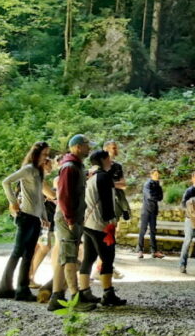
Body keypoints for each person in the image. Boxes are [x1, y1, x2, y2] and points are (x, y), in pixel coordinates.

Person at [0, 141, 52, 301]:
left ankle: (22, 290)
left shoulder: (38, 172)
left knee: (28, 255)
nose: (46, 157)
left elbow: (39, 198)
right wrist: (13, 202)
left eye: (47, 154)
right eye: (44, 154)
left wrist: (44, 217)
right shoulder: (28, 169)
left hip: (35, 218)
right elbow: (6, 182)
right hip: (25, 217)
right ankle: (5, 288)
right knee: (17, 253)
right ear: (36, 154)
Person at [48, 134, 95, 312]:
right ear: (77, 147)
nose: (88, 148)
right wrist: (70, 219)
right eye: (86, 145)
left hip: (71, 217)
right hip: (68, 218)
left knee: (64, 258)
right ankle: (75, 299)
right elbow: (65, 196)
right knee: (69, 258)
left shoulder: (75, 166)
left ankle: (56, 297)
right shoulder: (69, 167)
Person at [78, 149, 126, 306]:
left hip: (88, 223)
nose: (110, 161)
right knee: (107, 257)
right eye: (108, 159)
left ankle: (84, 290)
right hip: (101, 225)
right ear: (102, 160)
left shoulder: (90, 177)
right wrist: (111, 223)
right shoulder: (104, 177)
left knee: (89, 257)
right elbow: (107, 202)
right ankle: (108, 293)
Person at [29, 154, 59, 287]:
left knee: (36, 247)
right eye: (49, 164)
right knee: (44, 247)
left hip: (38, 216)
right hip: (41, 218)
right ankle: (29, 276)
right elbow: (52, 195)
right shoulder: (39, 178)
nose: (52, 166)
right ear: (44, 164)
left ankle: (29, 277)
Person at [138, 168, 164, 258]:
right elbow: (150, 196)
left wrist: (155, 196)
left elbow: (161, 197)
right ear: (151, 175)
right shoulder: (147, 184)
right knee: (143, 230)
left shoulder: (158, 186)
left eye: (158, 174)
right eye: (155, 174)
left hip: (154, 211)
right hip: (146, 210)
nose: (157, 176)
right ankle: (140, 250)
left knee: (153, 231)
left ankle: (154, 251)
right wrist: (156, 196)